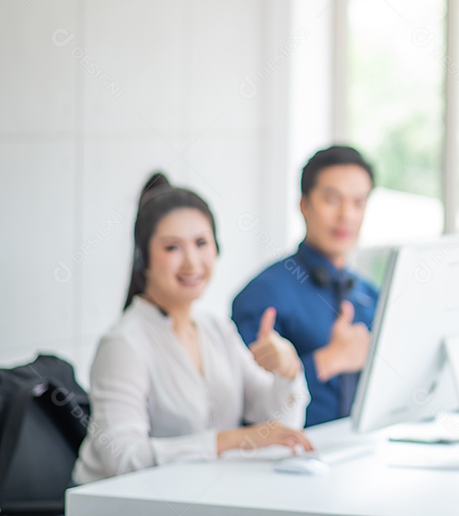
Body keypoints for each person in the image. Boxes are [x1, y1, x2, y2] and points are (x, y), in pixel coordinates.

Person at [73, 173, 312, 484]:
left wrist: (287, 371)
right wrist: (229, 440)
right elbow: (122, 458)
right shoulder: (123, 344)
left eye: (201, 243)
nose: (192, 262)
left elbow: (281, 427)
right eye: (172, 248)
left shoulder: (216, 329)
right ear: (143, 258)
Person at [232, 145, 379, 427]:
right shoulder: (263, 294)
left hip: (363, 450)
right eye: (332, 200)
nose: (346, 215)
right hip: (288, 458)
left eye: (358, 203)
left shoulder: (370, 295)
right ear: (304, 204)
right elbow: (249, 405)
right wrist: (328, 360)